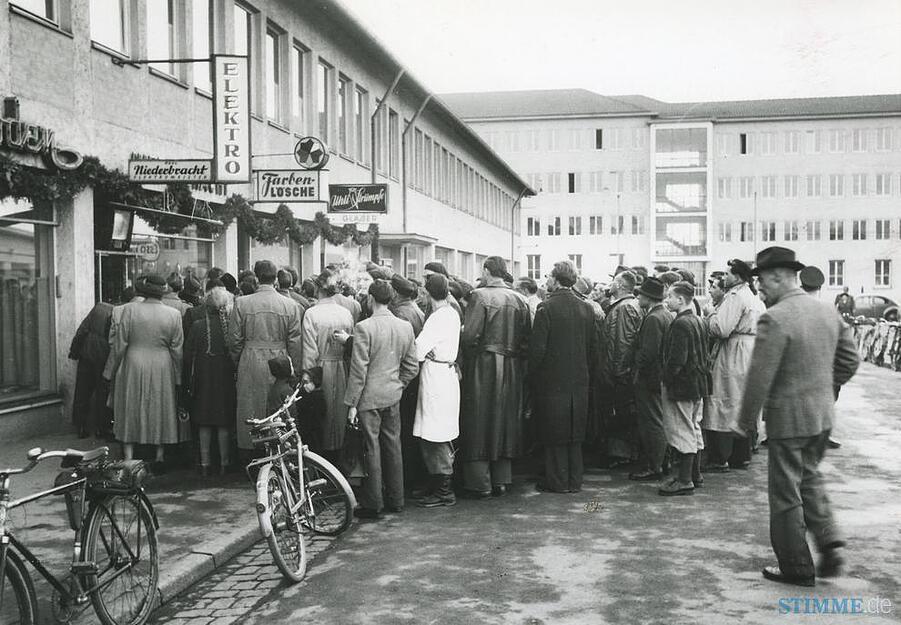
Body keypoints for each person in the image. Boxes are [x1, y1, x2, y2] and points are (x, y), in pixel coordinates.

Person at [737, 247, 859, 587]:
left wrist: (746, 420)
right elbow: (851, 360)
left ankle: (796, 566)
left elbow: (759, 376)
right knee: (810, 478)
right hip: (821, 416)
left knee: (785, 494)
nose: (760, 290)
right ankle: (830, 539)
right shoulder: (826, 312)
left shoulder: (775, 318)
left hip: (789, 420)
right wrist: (822, 387)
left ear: (778, 276)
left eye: (761, 282)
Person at [345, 280, 419, 519]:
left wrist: (352, 403)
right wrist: (399, 384)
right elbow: (411, 366)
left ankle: (373, 503)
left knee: (371, 448)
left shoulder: (364, 327)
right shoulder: (405, 326)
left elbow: (359, 370)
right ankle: (397, 499)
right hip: (392, 394)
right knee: (393, 446)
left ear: (370, 299)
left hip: (368, 397)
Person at [460, 256, 531, 497]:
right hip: (511, 366)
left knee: (479, 419)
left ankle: (480, 483)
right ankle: (502, 478)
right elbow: (526, 338)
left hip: (484, 364)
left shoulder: (479, 296)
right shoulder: (520, 299)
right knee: (504, 420)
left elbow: (470, 336)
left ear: (487, 271)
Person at [529, 260, 598, 494]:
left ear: (556, 279)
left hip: (552, 380)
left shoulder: (545, 308)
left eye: (549, 275)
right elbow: (593, 348)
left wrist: (532, 375)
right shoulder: (587, 308)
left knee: (554, 431)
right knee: (574, 431)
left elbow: (537, 349)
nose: (546, 279)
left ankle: (557, 481)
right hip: (579, 378)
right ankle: (574, 480)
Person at [107, 274, 184, 466]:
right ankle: (159, 454)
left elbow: (120, 344)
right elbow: (177, 350)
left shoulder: (129, 310)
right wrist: (179, 376)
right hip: (161, 362)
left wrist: (109, 371)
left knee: (130, 405)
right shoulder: (173, 314)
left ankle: (129, 455)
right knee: (160, 406)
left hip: (133, 360)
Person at [229, 260, 303, 452]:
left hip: (251, 359)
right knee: (278, 407)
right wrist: (294, 370)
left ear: (256, 277)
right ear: (276, 278)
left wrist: (239, 361)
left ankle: (250, 448)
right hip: (279, 360)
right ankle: (279, 448)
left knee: (250, 405)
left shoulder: (242, 303)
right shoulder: (290, 305)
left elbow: (234, 339)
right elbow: (295, 343)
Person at [702, 259, 766, 472]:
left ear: (737, 277)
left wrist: (710, 314)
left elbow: (722, 328)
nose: (725, 278)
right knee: (740, 402)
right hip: (750, 350)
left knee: (723, 400)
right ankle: (742, 455)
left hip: (734, 350)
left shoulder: (735, 296)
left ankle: (720, 458)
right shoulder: (753, 297)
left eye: (728, 274)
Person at [413, 274, 462, 508]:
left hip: (436, 377)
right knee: (439, 431)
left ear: (427, 292)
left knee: (436, 434)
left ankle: (444, 491)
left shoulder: (437, 318)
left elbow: (418, 350)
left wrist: (424, 352)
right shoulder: (452, 313)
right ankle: (438, 485)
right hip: (446, 374)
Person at [659, 281, 710, 496]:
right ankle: (695, 475)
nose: (667, 300)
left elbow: (677, 360)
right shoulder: (698, 320)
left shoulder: (680, 323)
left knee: (681, 429)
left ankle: (685, 480)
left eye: (670, 296)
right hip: (698, 384)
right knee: (693, 427)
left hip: (682, 385)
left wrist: (665, 379)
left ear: (681, 300)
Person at [302, 268, 355, 462]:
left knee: (321, 412)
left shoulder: (311, 314)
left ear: (318, 289)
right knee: (339, 412)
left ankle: (321, 457)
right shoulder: (346, 313)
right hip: (341, 367)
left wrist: (308, 378)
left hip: (320, 368)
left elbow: (310, 351)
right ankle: (337, 454)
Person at [183, 285, 236, 476]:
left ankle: (205, 464)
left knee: (204, 422)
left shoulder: (197, 326)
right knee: (222, 423)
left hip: (202, 378)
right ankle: (224, 463)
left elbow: (188, 356)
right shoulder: (230, 327)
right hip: (225, 379)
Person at [628, 277, 672, 481]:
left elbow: (649, 352)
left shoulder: (654, 318)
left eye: (641, 295)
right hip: (659, 376)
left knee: (652, 422)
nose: (638, 298)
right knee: (658, 419)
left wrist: (635, 364)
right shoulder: (664, 314)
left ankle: (654, 466)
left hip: (650, 377)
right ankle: (661, 462)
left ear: (649, 297)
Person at [598, 270, 643, 467]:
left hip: (618, 372)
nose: (611, 285)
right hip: (619, 370)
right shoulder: (626, 305)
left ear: (621, 285)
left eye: (614, 282)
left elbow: (623, 343)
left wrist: (619, 372)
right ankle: (623, 453)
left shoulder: (624, 308)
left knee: (620, 412)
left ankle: (621, 455)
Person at [69, 298, 114, 438]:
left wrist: (74, 351)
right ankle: (103, 428)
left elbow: (82, 330)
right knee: (103, 392)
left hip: (87, 352)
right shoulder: (125, 311)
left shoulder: (99, 308)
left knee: (82, 390)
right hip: (106, 355)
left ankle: (81, 426)